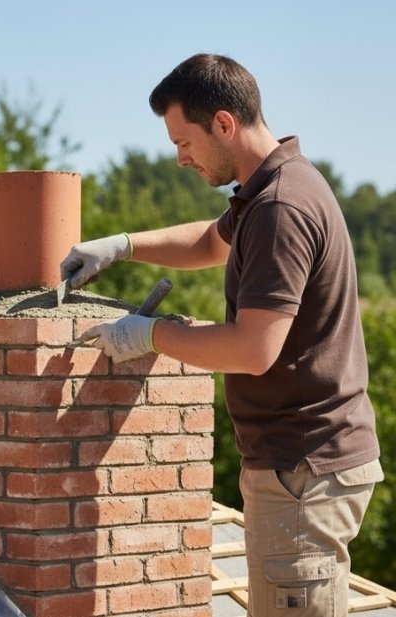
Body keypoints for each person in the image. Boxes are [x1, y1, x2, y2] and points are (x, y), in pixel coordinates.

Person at [61, 53, 383, 617]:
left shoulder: (280, 206)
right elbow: (211, 242)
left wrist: (150, 334)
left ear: (224, 124)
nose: (181, 159)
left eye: (184, 142)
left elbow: (253, 349)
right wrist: (123, 245)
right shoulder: (270, 188)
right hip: (306, 465)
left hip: (304, 469)